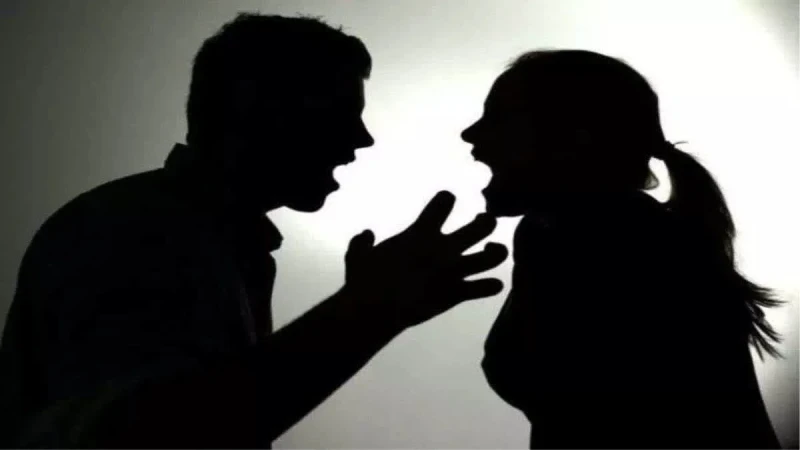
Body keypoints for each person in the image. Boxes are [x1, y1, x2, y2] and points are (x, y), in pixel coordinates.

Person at [0, 13, 509, 448]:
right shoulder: (133, 230)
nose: (361, 139)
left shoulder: (214, 242)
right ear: (261, 111)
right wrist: (369, 310)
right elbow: (153, 432)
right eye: (340, 114)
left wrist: (368, 310)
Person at [464, 49, 783, 449]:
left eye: (498, 118)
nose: (471, 135)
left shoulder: (632, 249)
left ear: (573, 139)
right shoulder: (550, 236)